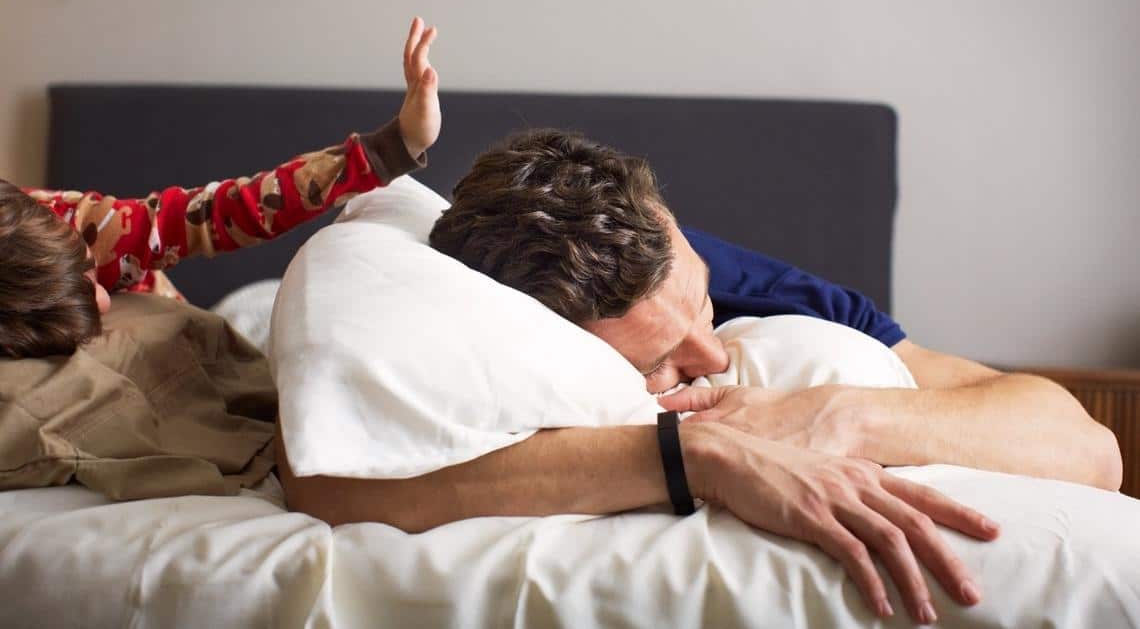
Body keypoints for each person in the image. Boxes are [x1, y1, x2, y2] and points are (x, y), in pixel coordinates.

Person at [278, 130, 1114, 625]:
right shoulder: (471, 338)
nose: (711, 358)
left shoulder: (741, 281)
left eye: (703, 307)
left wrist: (840, 417)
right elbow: (332, 484)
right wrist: (698, 454)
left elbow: (1091, 450)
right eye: (659, 361)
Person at [0, 17, 441, 359]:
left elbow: (228, 211)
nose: (102, 299)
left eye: (88, 273)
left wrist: (392, 148)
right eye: (74, 297)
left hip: (187, 336)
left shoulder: (91, 229)